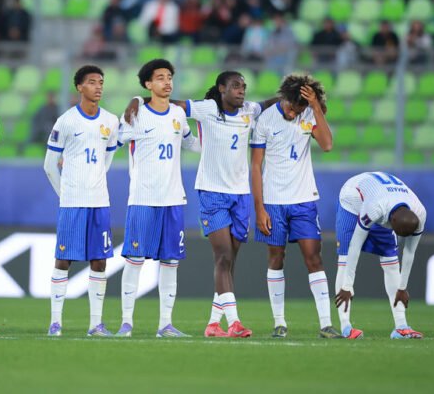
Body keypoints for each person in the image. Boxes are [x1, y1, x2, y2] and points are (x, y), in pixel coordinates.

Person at [126, 71, 277, 338]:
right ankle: (234, 322)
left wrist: (296, 93)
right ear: (221, 89)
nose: (241, 91)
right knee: (223, 257)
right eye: (235, 86)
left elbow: (269, 103)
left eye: (244, 86)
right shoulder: (207, 109)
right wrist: (138, 98)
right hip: (211, 192)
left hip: (241, 195)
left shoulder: (250, 110)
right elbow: (171, 104)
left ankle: (212, 323)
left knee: (230, 261)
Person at [250, 74, 341, 338]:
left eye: (299, 108)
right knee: (276, 258)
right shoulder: (265, 120)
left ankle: (326, 323)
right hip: (274, 202)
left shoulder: (309, 115)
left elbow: (327, 145)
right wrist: (259, 209)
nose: (293, 112)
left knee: (314, 258)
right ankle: (280, 323)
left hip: (303, 200)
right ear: (284, 98)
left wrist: (314, 108)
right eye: (292, 106)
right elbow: (255, 166)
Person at [115, 59, 200, 338]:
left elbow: (192, 143)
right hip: (142, 197)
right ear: (148, 84)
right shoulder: (135, 114)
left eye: (170, 77)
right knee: (135, 259)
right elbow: (113, 141)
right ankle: (126, 322)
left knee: (170, 262)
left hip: (173, 198)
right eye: (160, 77)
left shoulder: (178, 114)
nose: (167, 82)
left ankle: (165, 324)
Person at [43, 65, 119, 337]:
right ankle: (55, 323)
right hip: (72, 203)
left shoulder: (110, 121)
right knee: (63, 260)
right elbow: (50, 165)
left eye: (101, 81)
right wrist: (65, 195)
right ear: (79, 87)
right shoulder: (66, 121)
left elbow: (107, 159)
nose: (98, 86)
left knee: (99, 261)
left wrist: (94, 181)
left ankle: (95, 324)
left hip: (99, 202)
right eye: (91, 82)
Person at [334, 172, 426, 339]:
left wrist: (402, 287)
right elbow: (356, 244)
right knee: (345, 259)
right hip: (352, 199)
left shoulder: (420, 213)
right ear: (390, 222)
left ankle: (401, 327)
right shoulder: (375, 208)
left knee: (392, 263)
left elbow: (410, 251)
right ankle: (346, 327)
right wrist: (347, 286)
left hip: (383, 198)